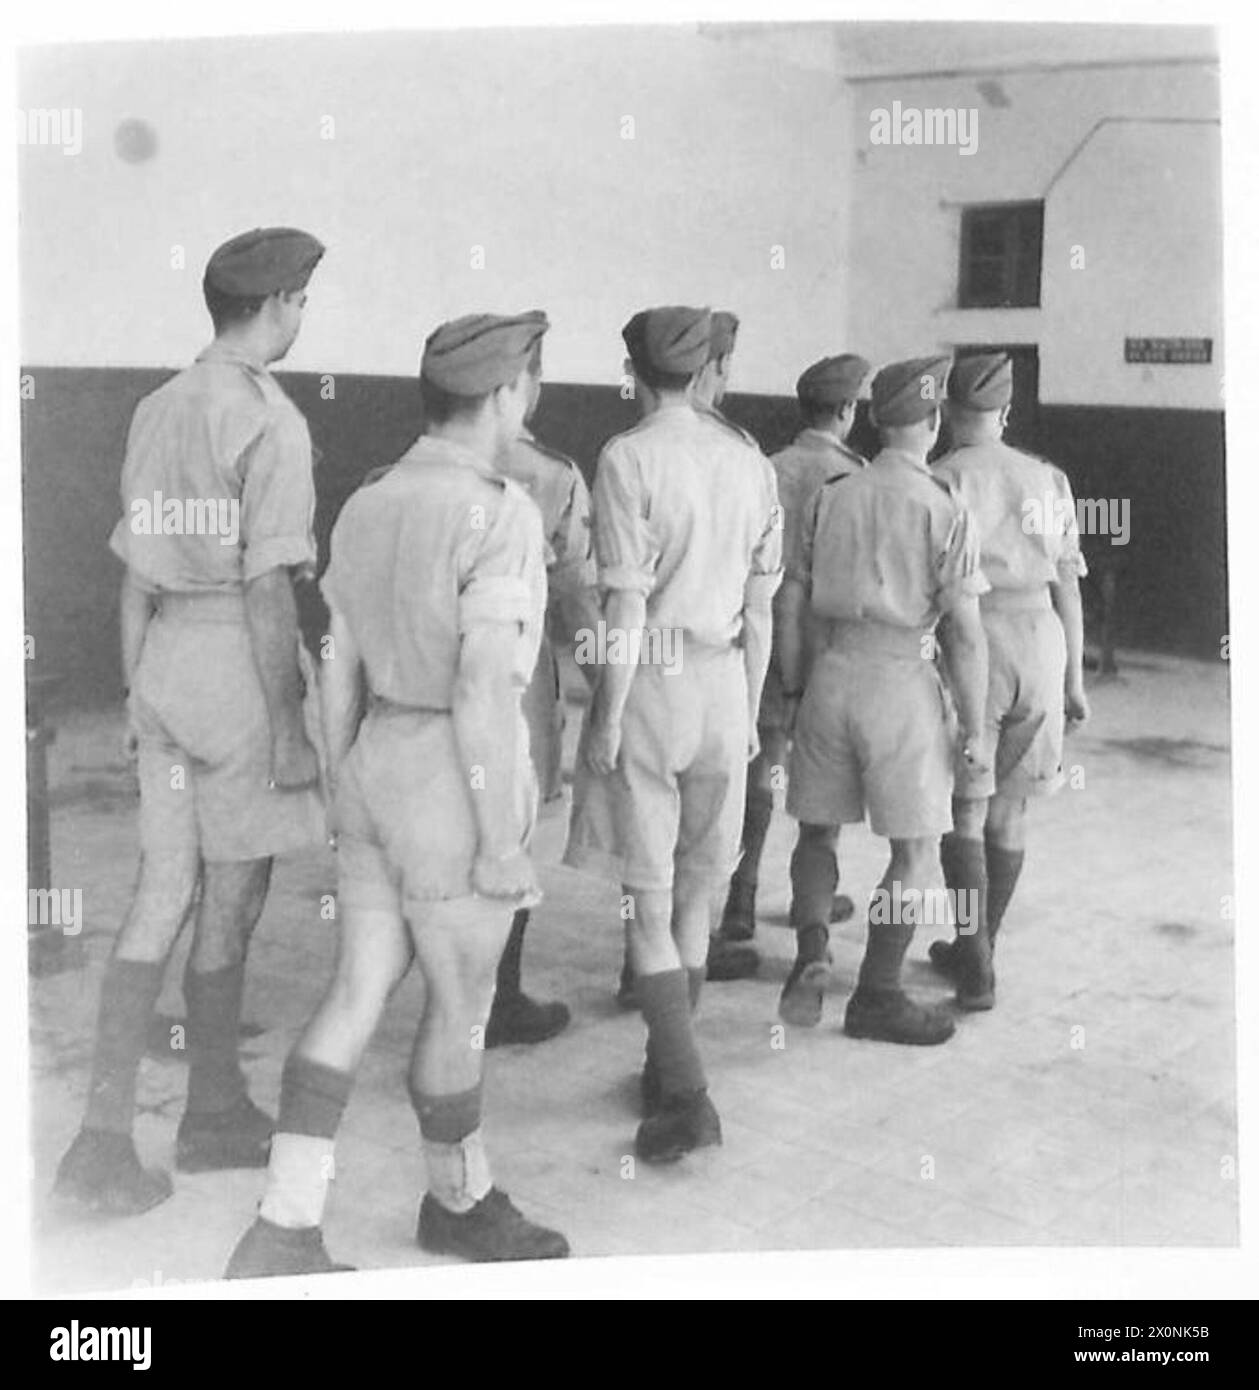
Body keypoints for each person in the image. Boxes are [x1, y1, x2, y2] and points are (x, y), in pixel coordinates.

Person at [226, 312, 569, 1276]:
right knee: (460, 1004)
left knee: (356, 988)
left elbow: (333, 662)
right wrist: (501, 839)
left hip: (376, 759)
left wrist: (340, 783)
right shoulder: (502, 512)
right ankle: (458, 1201)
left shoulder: (371, 501)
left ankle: (283, 1227)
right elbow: (481, 691)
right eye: (529, 383)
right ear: (508, 392)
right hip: (450, 782)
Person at [54, 227, 327, 1215]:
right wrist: (291, 729)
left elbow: (132, 578)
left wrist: (134, 696)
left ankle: (102, 1138)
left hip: (164, 667)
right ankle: (212, 1111)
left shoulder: (156, 406)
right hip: (236, 680)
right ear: (277, 303)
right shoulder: (271, 421)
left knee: (158, 893)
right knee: (233, 897)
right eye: (303, 299)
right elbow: (267, 592)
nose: (304, 314)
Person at [565, 305, 782, 1162]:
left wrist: (607, 716)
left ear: (634, 372)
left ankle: (686, 1093)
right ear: (702, 374)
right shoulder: (747, 459)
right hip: (724, 683)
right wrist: (752, 710)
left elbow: (623, 601)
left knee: (647, 902)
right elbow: (761, 607)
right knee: (698, 890)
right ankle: (667, 1064)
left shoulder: (627, 458)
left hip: (651, 681)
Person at [776, 356, 991, 1042]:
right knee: (915, 850)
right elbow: (962, 634)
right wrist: (974, 726)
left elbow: (797, 603)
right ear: (930, 423)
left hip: (831, 673)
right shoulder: (942, 504)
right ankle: (874, 993)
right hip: (899, 681)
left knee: (816, 830)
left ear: (872, 418)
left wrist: (793, 684)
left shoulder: (832, 493)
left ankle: (811, 952)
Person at [928, 353, 1090, 1007]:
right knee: (1011, 807)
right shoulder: (1047, 479)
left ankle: (972, 957)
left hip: (974, 642)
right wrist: (1074, 679)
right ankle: (982, 951)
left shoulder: (938, 478)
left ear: (945, 411)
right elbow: (1068, 587)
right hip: (1041, 641)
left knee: (964, 804)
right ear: (1005, 411)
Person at [716, 354, 871, 968]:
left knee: (761, 770)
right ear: (845, 411)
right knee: (823, 783)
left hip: (759, 639)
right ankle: (815, 897)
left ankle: (741, 895)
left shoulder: (765, 467)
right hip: (826, 647)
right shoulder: (853, 477)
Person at [490, 374, 602, 1045]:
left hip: (411, 689)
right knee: (513, 834)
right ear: (522, 385)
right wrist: (612, 684)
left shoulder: (388, 481)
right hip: (513, 680)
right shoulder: (552, 479)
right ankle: (498, 998)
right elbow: (578, 604)